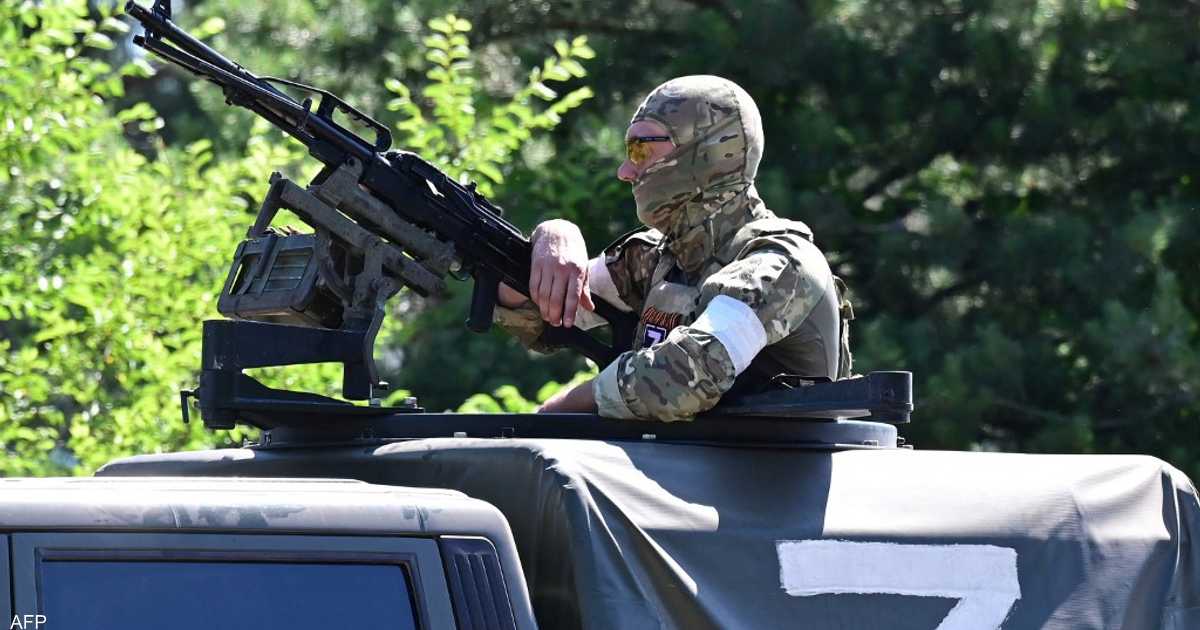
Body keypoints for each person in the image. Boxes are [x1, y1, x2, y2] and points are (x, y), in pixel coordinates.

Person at [495, 75, 852, 422]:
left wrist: (562, 409)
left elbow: (687, 376)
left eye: (640, 150)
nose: (625, 171)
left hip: (772, 463)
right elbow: (544, 309)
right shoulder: (662, 257)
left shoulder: (779, 264)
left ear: (707, 153)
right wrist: (553, 237)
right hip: (688, 462)